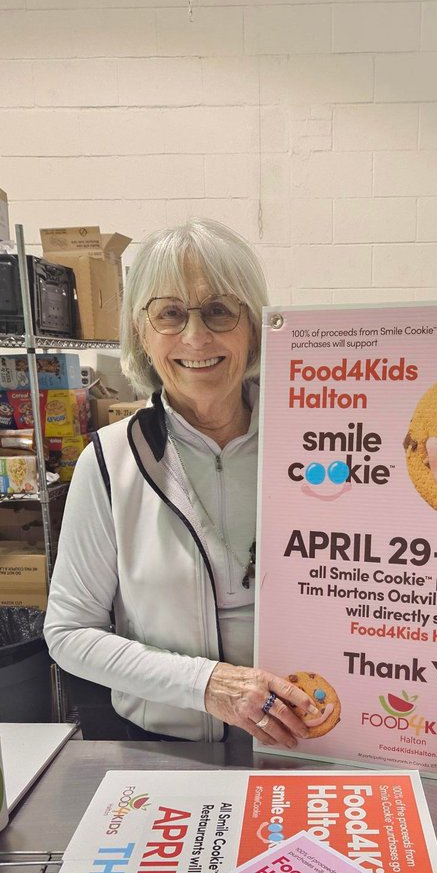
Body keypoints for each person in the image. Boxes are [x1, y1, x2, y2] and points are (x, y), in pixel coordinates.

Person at [44, 219, 319, 745]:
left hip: (311, 742)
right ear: (142, 334)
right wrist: (208, 684)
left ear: (254, 327)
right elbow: (69, 633)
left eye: (220, 310)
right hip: (170, 751)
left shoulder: (318, 449)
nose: (196, 337)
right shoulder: (110, 461)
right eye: (169, 313)